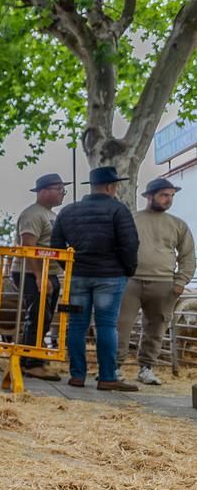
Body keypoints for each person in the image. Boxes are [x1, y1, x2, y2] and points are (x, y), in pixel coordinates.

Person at [50, 166, 140, 391]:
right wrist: (128, 269)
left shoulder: (68, 211)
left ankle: (77, 376)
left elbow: (56, 245)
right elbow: (130, 244)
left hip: (77, 277)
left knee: (76, 325)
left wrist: (69, 267)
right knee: (107, 325)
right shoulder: (119, 210)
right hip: (110, 277)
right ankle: (107, 377)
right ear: (111, 187)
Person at [117, 178, 195, 385]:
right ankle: (113, 367)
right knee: (121, 325)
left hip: (164, 283)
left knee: (156, 327)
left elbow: (188, 255)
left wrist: (180, 282)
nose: (168, 199)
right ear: (149, 196)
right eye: (164, 195)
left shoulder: (178, 225)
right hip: (130, 281)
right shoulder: (131, 219)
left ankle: (147, 368)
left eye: (171, 195)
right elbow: (117, 247)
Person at [13, 173, 69, 380]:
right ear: (44, 191)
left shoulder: (50, 215)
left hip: (49, 272)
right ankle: (32, 363)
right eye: (59, 190)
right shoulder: (33, 214)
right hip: (31, 272)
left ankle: (28, 357)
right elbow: (29, 246)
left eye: (63, 190)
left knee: (44, 317)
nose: (63, 194)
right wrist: (39, 276)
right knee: (36, 315)